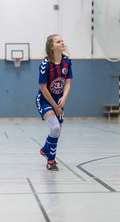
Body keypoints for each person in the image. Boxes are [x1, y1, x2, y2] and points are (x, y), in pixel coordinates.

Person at [36, 34, 73, 171]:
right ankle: (51, 161)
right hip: (45, 100)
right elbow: (42, 87)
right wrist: (54, 106)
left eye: (62, 40)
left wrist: (63, 98)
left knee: (57, 132)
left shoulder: (67, 62)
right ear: (52, 47)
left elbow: (68, 83)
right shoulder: (45, 64)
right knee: (55, 128)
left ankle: (46, 150)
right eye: (58, 42)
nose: (62, 43)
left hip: (59, 101)